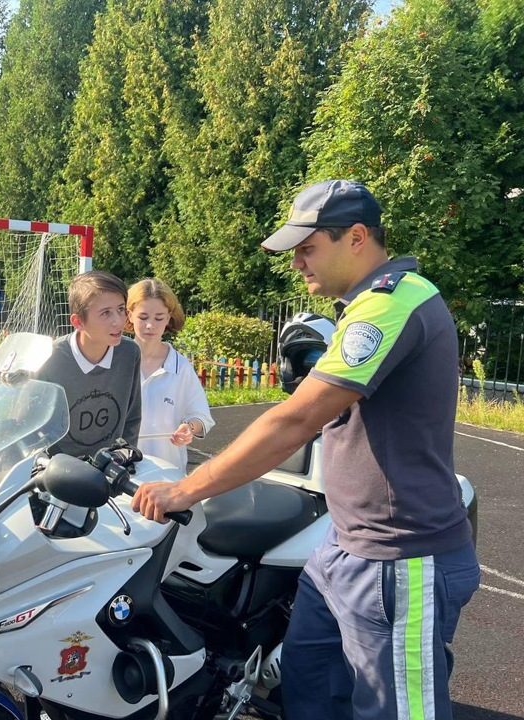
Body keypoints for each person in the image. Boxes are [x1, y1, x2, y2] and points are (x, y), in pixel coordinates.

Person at [131, 180, 480, 719]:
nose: (297, 263)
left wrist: (184, 490)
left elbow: (295, 420)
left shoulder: (391, 304)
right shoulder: (363, 305)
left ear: (357, 237)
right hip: (344, 546)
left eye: (308, 247)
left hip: (399, 557)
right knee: (308, 683)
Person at [36, 270, 141, 458]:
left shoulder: (129, 353)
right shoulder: (49, 358)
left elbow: (132, 417)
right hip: (58, 472)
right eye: (105, 313)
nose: (118, 321)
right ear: (78, 321)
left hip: (110, 467)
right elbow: (35, 426)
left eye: (120, 309)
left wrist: (124, 456)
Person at [127, 278, 214, 473]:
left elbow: (200, 415)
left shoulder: (180, 367)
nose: (150, 325)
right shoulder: (115, 361)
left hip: (166, 473)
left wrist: (189, 428)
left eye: (158, 318)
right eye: (143, 317)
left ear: (168, 318)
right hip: (119, 471)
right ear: (130, 315)